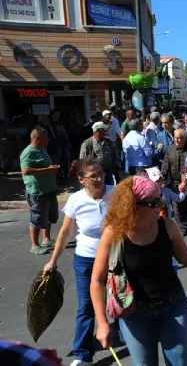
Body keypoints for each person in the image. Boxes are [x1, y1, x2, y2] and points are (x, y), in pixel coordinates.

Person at [90, 176, 187, 365]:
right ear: (133, 207)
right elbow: (97, 280)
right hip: (134, 312)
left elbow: (186, 257)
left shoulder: (167, 225)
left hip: (173, 305)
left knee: (179, 362)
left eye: (161, 199)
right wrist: (102, 323)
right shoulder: (114, 234)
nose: (161, 205)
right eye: (155, 202)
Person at [42, 160, 112, 366]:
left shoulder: (115, 193)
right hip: (86, 259)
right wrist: (52, 261)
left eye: (100, 173)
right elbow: (65, 232)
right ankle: (82, 354)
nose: (99, 179)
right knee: (86, 307)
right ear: (81, 180)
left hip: (113, 258)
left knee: (121, 301)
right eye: (93, 176)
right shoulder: (75, 200)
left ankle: (128, 338)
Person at [20, 126, 59, 255]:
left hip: (49, 188)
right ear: (37, 138)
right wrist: (48, 170)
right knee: (36, 218)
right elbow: (25, 171)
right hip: (37, 191)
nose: (48, 140)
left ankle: (46, 239)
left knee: (48, 215)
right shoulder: (28, 152)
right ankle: (34, 245)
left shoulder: (42, 149)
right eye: (45, 137)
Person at [161, 129, 187, 235]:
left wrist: (184, 182)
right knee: (178, 209)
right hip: (175, 184)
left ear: (185, 138)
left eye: (179, 138)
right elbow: (165, 165)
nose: (176, 140)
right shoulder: (170, 148)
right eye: (175, 138)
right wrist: (162, 179)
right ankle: (183, 229)